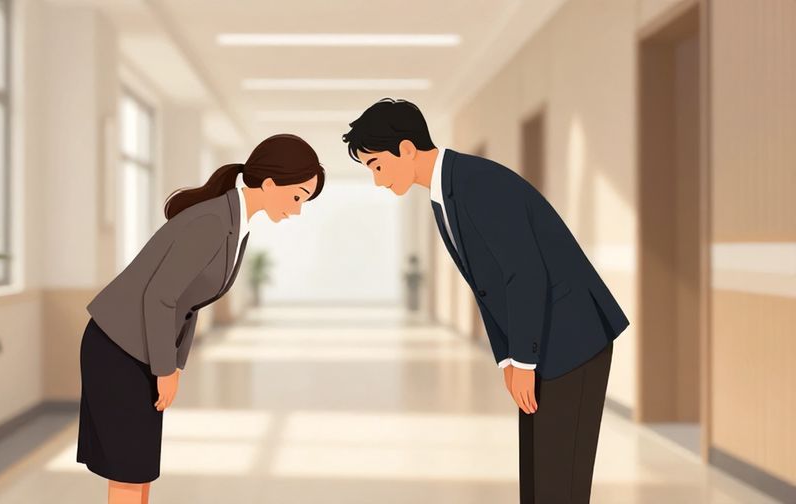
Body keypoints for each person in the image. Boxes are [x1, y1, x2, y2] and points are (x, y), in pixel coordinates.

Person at [342, 98, 629, 504]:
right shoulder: (445, 193)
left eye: (376, 165)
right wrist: (508, 359)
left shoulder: (476, 183)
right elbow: (487, 287)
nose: (377, 180)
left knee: (559, 484)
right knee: (538, 478)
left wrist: (523, 360)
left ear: (406, 149)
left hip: (572, 336)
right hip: (543, 341)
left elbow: (524, 272)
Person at [77, 134, 325, 504]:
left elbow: (189, 304)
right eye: (297, 197)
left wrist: (175, 364)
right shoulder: (212, 221)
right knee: (127, 470)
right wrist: (165, 369)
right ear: (271, 184)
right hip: (119, 348)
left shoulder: (234, 224)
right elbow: (161, 296)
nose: (298, 210)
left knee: (138, 466)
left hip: (142, 349)